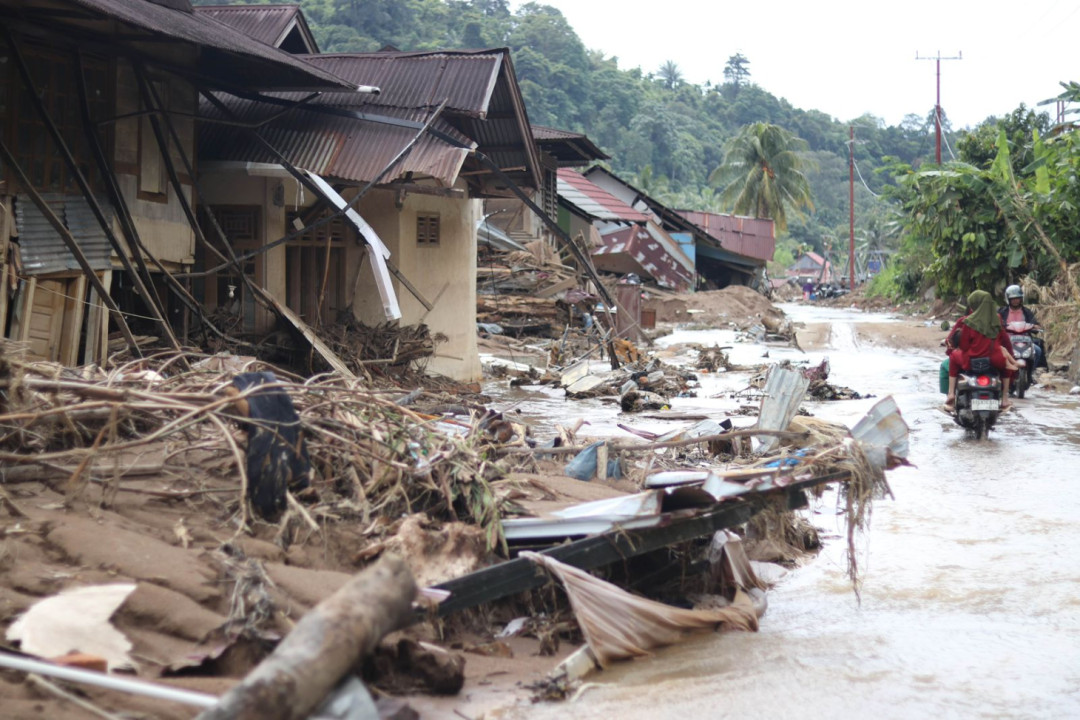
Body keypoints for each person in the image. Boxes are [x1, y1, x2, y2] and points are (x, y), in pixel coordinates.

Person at [945, 290, 1018, 411]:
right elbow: (1005, 340)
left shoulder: (968, 321)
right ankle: (1005, 399)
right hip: (995, 360)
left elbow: (963, 346)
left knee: (953, 356)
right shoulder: (997, 319)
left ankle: (951, 394)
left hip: (971, 361)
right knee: (1005, 364)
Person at [998, 284, 1046, 372]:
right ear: (1008, 299)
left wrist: (1035, 326)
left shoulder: (1027, 312)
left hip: (1025, 340)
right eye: (1013, 299)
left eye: (1018, 298)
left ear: (1021, 299)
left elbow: (1036, 324)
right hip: (1007, 340)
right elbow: (996, 323)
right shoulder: (1002, 312)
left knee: (1038, 351)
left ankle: (1032, 372)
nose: (1015, 301)